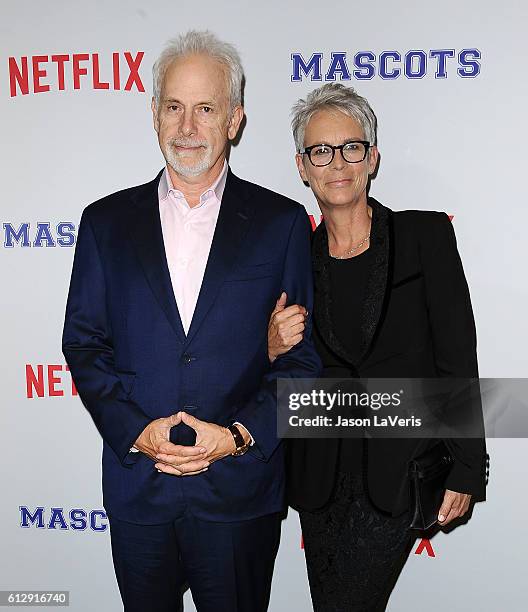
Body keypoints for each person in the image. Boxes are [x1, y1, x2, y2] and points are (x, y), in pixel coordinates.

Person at [62, 30, 321, 612]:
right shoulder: (105, 223)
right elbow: (82, 343)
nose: (187, 127)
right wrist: (137, 431)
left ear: (234, 119)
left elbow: (302, 365)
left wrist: (238, 437)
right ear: (154, 115)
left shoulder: (281, 223)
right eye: (174, 107)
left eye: (205, 109)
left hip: (238, 493)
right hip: (140, 490)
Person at [267, 83, 488, 611]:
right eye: (321, 151)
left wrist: (466, 467)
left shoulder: (424, 237)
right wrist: (270, 348)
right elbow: (274, 369)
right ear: (303, 166)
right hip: (319, 476)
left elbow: (457, 358)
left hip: (399, 468)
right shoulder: (291, 253)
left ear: (372, 158)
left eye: (351, 147)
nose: (337, 162)